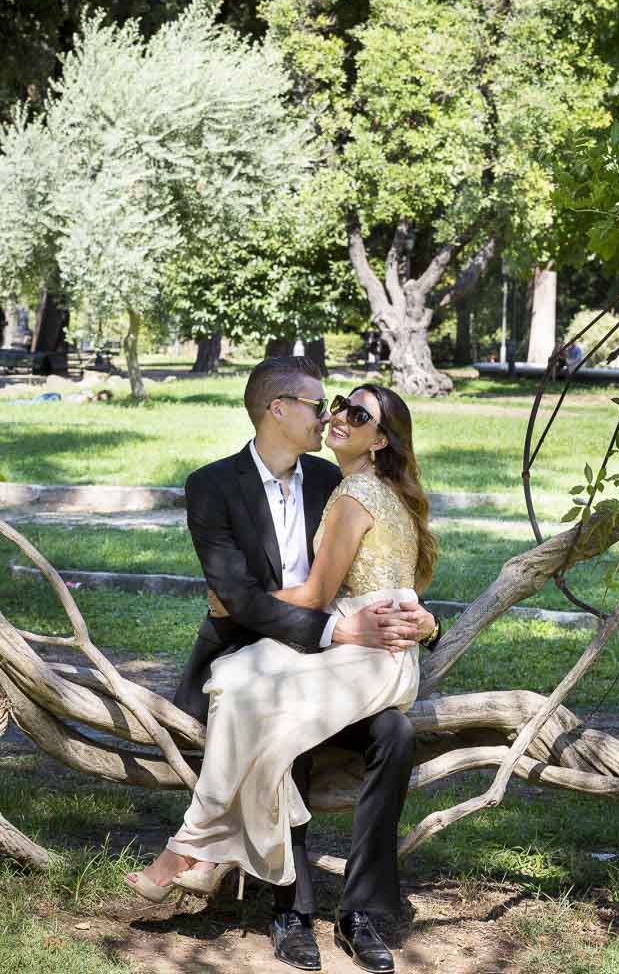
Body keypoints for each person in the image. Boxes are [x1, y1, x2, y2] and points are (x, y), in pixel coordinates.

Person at [127, 357, 440, 973]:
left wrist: (427, 623)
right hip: (265, 650)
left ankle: (363, 914)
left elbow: (388, 573)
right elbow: (239, 603)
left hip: (347, 660)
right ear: (279, 409)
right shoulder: (212, 485)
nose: (331, 416)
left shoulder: (336, 478)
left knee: (395, 733)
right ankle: (290, 911)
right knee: (277, 720)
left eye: (348, 411)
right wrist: (334, 628)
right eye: (323, 404)